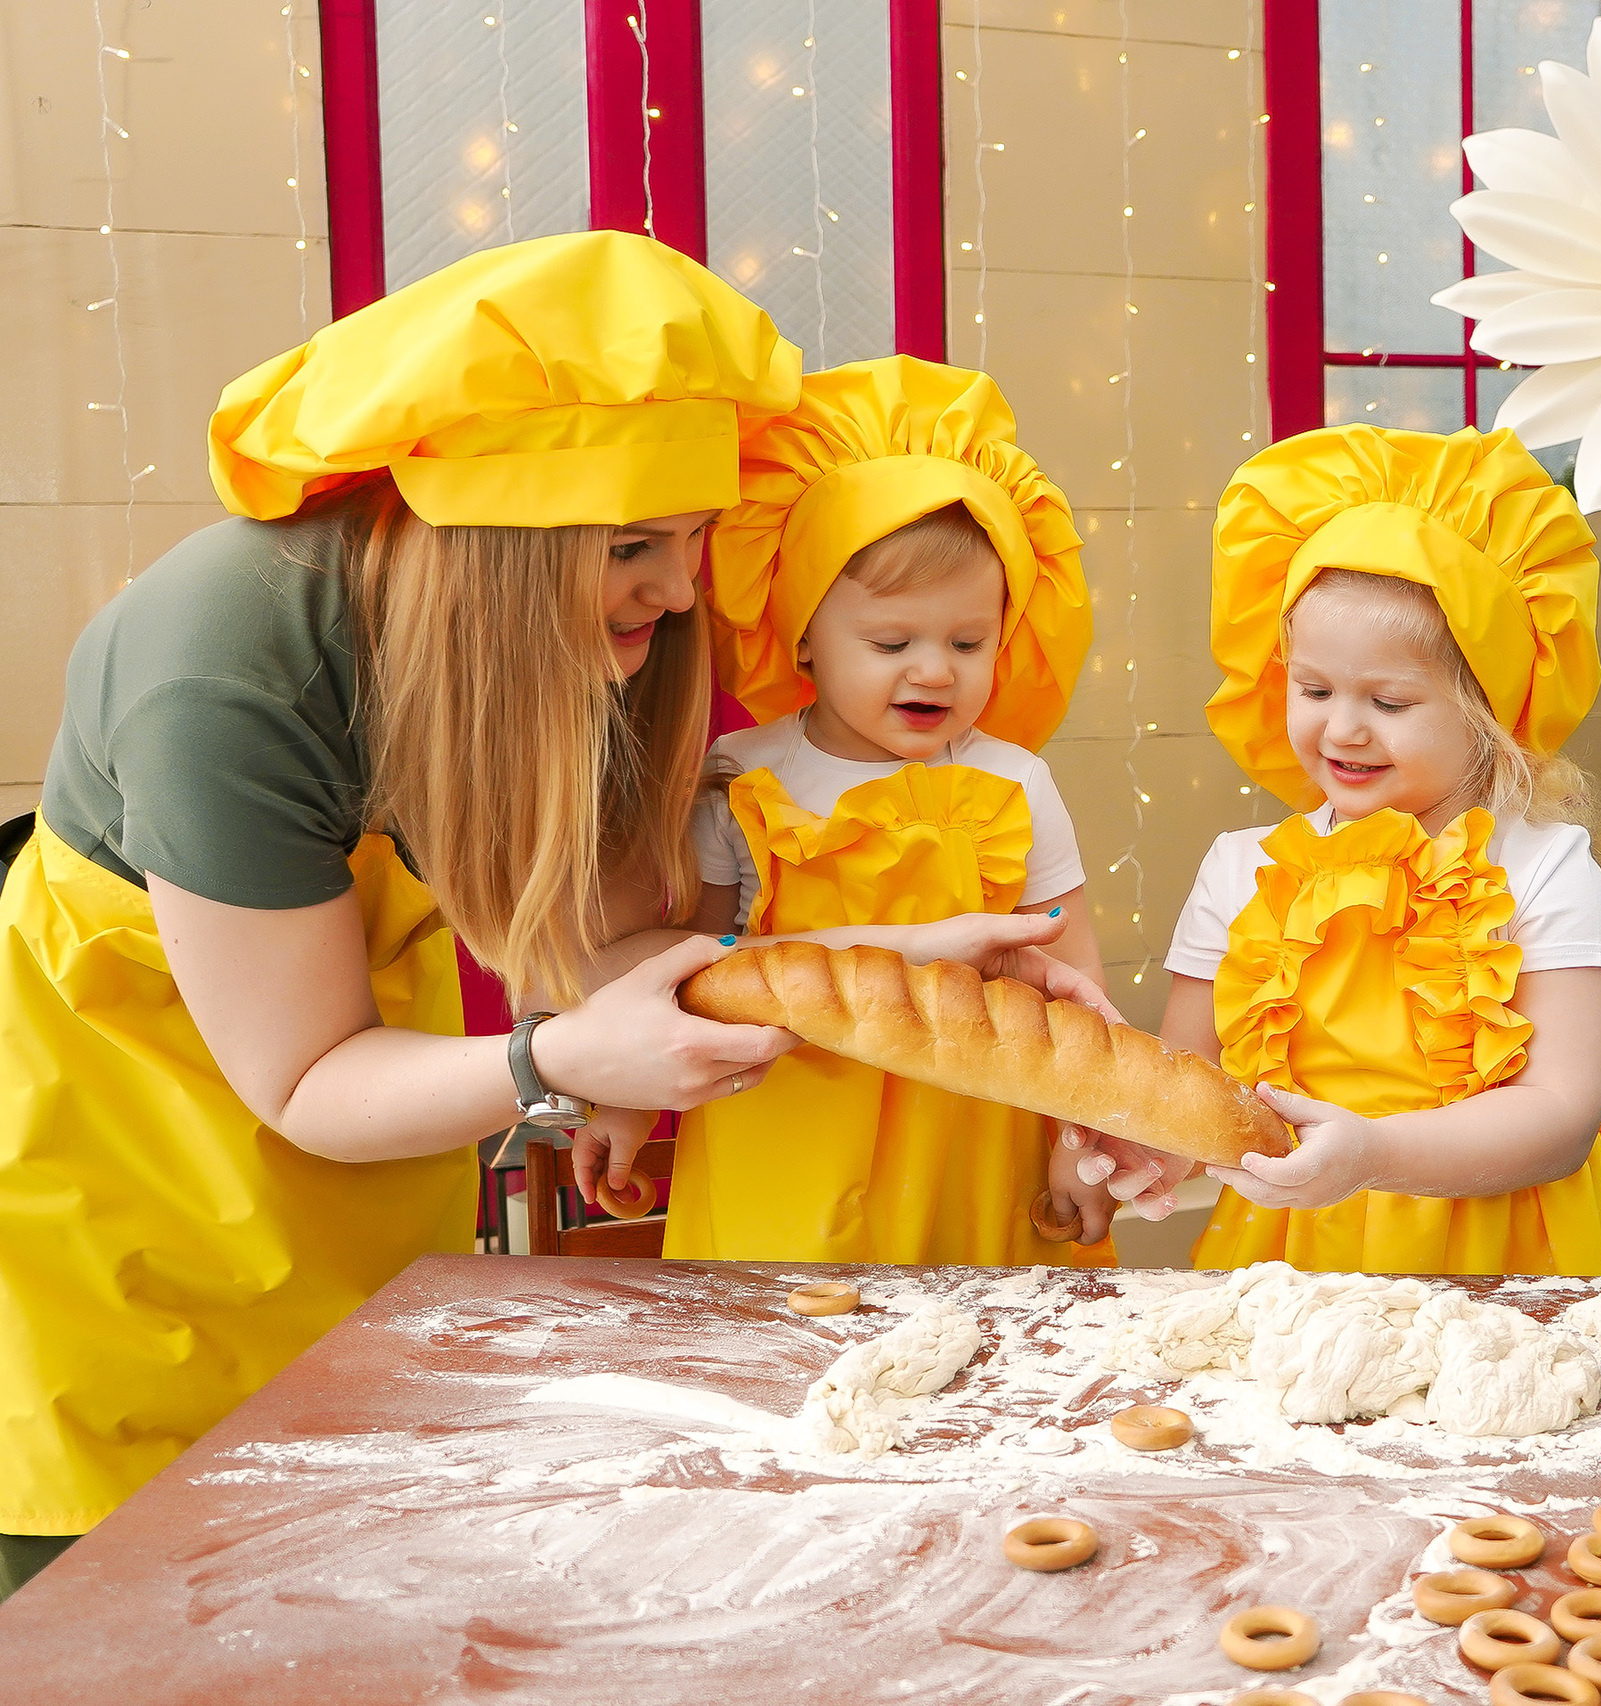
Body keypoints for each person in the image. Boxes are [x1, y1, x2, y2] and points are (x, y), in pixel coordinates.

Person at [0, 234, 1101, 1601]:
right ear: (489, 554)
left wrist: (897, 967)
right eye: (635, 545)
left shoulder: (589, 638)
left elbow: (590, 954)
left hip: (354, 1161)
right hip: (118, 1209)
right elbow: (306, 1072)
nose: (686, 588)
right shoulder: (223, 675)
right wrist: (556, 1064)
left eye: (694, 537)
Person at [1084, 424, 1601, 1276]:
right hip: (1292, 1264)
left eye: (1391, 702)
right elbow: (1196, 1093)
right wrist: (1149, 1150)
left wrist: (1375, 1154)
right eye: (1314, 688)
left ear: (1488, 709)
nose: (1343, 728)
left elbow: (1560, 1116)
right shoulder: (1241, 870)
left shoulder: (1542, 868)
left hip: (1500, 1267)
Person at [579, 356, 1116, 1262]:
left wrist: (1081, 1143)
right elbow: (692, 968)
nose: (936, 669)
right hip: (782, 1124)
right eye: (891, 641)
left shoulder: (1016, 783)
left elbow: (1075, 984)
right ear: (804, 637)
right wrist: (626, 1100)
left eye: (968, 640)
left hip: (967, 1136)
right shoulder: (743, 774)